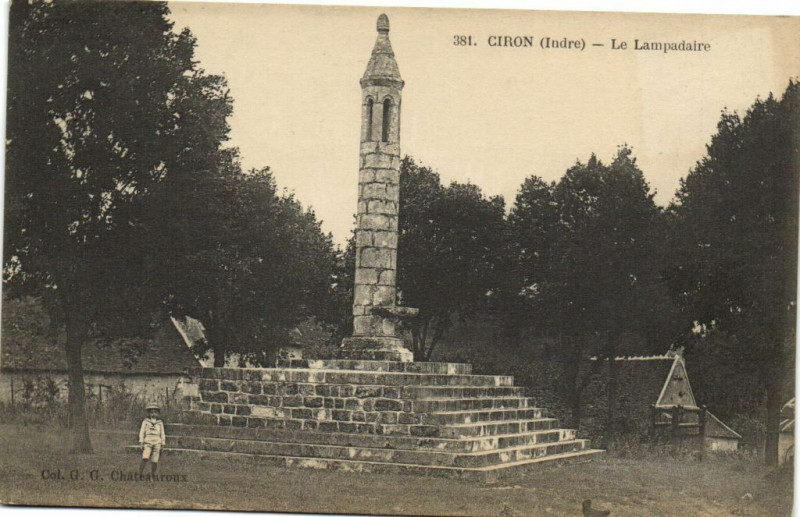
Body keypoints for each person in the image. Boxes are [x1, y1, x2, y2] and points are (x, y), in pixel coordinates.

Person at [138, 402, 166, 477]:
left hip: (157, 441)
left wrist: (163, 443)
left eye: (155, 412)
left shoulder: (160, 423)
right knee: (145, 457)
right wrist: (141, 442)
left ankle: (152, 474)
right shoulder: (146, 421)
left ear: (158, 414)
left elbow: (162, 433)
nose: (153, 414)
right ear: (149, 413)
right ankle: (140, 473)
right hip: (148, 440)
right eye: (152, 412)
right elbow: (142, 432)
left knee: (155, 459)